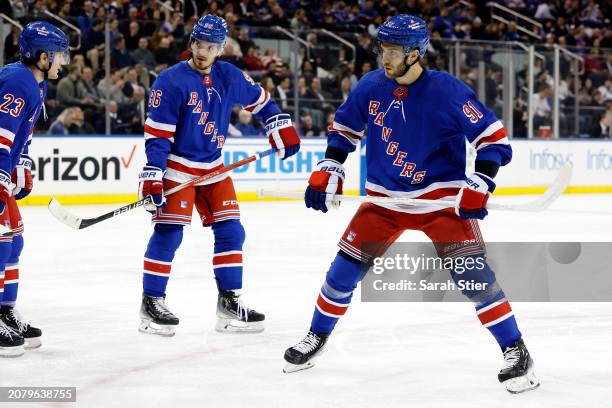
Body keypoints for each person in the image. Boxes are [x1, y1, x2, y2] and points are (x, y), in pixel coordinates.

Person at [283, 15, 540, 394]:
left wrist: (482, 180)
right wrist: (330, 165)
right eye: (381, 48)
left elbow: (493, 140)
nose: (383, 57)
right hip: (385, 202)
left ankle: (516, 351)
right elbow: (344, 131)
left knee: (475, 280)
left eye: (392, 50)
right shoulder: (370, 86)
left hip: (440, 205)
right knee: (341, 275)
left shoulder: (447, 91)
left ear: (415, 53)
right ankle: (316, 336)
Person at [138, 15, 300, 336]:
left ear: (221, 48)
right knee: (170, 234)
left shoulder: (229, 74)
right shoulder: (169, 81)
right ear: (192, 43)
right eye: (199, 43)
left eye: (211, 46)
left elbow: (262, 102)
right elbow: (158, 135)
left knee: (231, 231)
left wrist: (279, 125)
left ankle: (229, 303)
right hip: (177, 168)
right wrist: (154, 171)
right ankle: (151, 303)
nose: (203, 51)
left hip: (213, 168)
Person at [0, 22, 70, 356]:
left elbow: (20, 135)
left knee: (15, 240)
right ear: (43, 56)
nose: (63, 62)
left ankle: (5, 309)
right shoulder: (17, 81)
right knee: (0, 242)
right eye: (59, 56)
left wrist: (22, 163)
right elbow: (1, 135)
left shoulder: (35, 83)